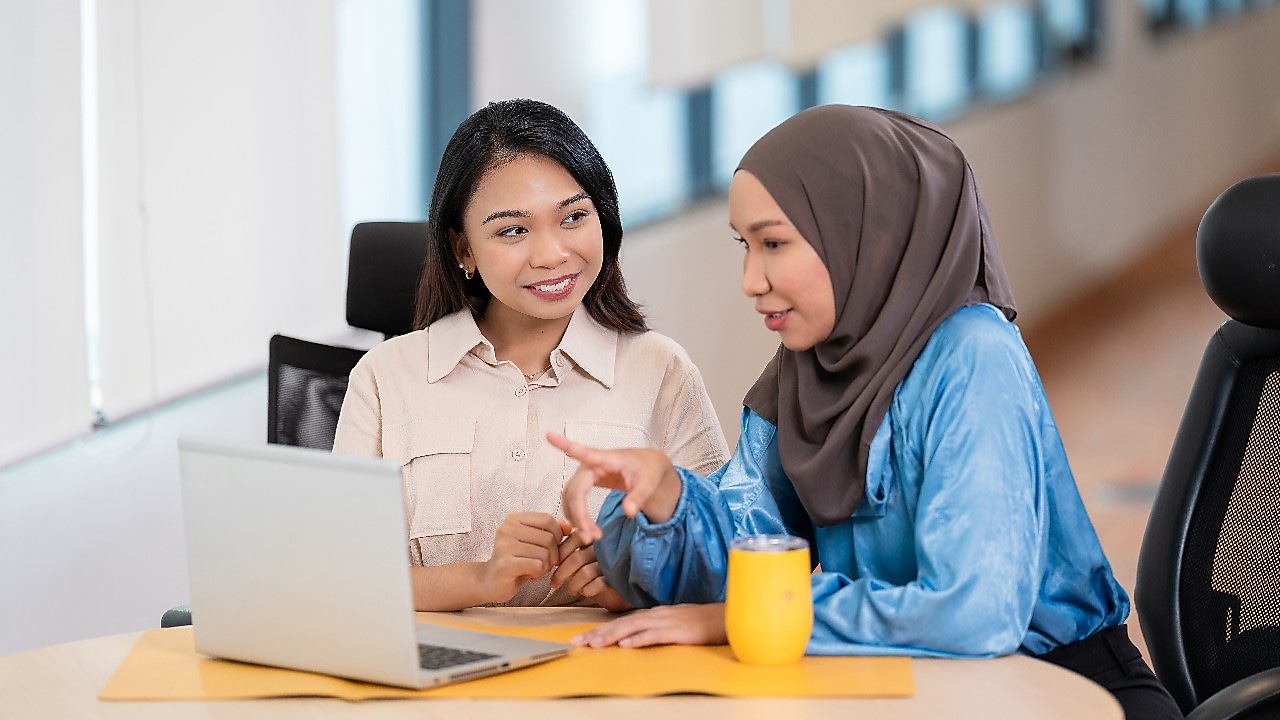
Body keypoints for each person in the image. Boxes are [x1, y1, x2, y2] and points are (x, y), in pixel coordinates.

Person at [548, 105, 1182, 718]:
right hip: (906, 686)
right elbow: (752, 550)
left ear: (867, 237)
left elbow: (975, 611)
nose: (751, 278)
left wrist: (743, 618)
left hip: (1059, 688)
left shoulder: (973, 353)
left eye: (774, 243)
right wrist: (666, 496)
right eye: (746, 244)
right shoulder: (806, 369)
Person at [333, 98, 730, 613]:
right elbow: (344, 577)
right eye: (513, 230)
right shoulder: (386, 378)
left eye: (573, 217)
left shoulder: (661, 370)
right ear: (463, 249)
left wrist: (630, 588)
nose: (552, 254)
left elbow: (722, 564)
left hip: (600, 672)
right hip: (429, 678)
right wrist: (479, 580)